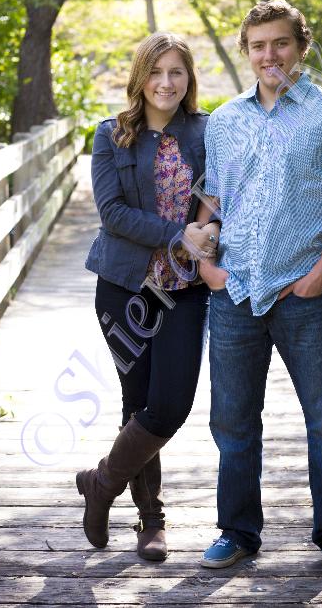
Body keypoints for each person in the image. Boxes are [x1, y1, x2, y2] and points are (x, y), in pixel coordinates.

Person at [198, 0, 322, 578]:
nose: (269, 55)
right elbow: (213, 201)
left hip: (306, 297)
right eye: (258, 45)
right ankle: (237, 532)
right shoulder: (225, 120)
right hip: (234, 296)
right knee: (232, 423)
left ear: (301, 47)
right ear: (246, 52)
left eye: (280, 43)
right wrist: (207, 266)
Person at [78, 32, 219, 562]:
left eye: (176, 71)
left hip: (183, 288)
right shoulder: (111, 135)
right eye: (156, 72)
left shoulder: (207, 131)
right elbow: (112, 213)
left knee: (170, 405)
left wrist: (207, 232)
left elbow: (220, 193)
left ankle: (101, 483)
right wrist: (178, 235)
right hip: (125, 287)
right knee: (136, 402)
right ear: (140, 78)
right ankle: (150, 519)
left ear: (189, 79)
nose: (166, 82)